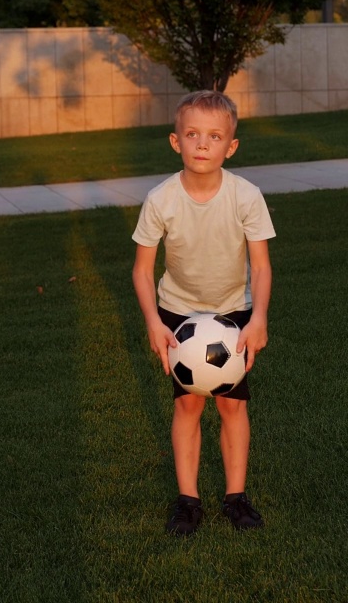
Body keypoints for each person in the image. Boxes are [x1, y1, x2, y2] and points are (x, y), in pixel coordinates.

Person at [132, 90, 275, 536]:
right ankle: (188, 501)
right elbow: (141, 270)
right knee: (189, 404)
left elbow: (261, 265)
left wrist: (259, 319)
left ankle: (236, 497)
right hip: (177, 312)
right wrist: (154, 322)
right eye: (192, 134)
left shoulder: (246, 196)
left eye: (214, 137)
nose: (202, 144)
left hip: (234, 313)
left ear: (230, 147)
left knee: (233, 407)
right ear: (175, 141)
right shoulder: (161, 199)